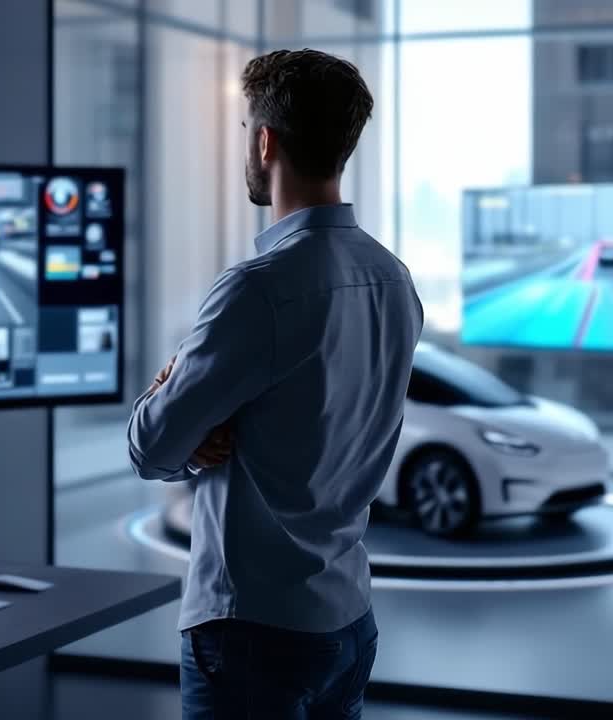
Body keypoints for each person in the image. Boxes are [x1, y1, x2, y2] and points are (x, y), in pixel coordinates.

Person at [127, 49, 424, 719]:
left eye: (245, 132)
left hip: (252, 633)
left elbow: (152, 448)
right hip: (348, 622)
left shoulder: (257, 290)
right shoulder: (393, 279)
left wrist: (173, 394)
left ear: (266, 141)